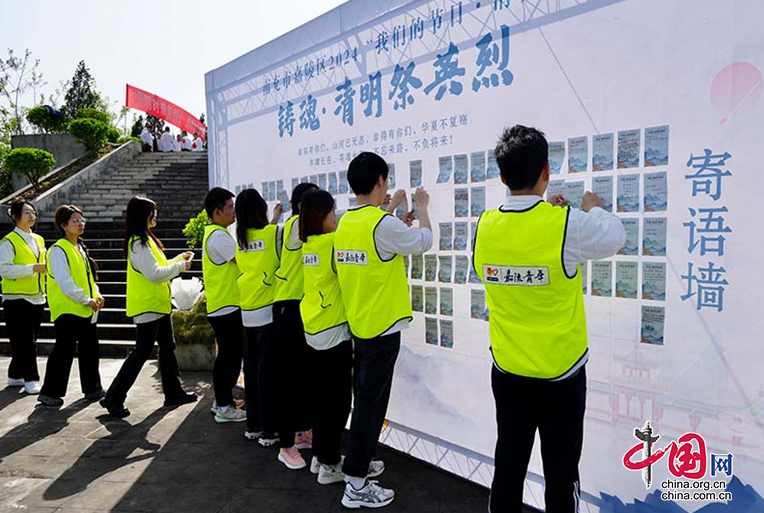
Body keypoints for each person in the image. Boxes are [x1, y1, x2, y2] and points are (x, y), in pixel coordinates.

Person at [473, 125, 626, 513]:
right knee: (560, 472)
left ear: (503, 176)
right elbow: (615, 235)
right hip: (561, 375)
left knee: (508, 464)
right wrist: (590, 207)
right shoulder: (567, 224)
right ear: (546, 171)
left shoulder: (485, 225)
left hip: (507, 369)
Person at [334, 152, 432, 508]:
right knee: (370, 408)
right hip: (382, 330)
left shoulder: (346, 222)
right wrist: (422, 208)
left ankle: (358, 464)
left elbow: (377, 237)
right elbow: (423, 242)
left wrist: (392, 211)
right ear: (380, 180)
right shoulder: (382, 225)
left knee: (365, 402)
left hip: (361, 326)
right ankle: (356, 486)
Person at [299, 189, 385, 485]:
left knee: (322, 398)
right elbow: (359, 231)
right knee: (336, 402)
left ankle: (321, 459)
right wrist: (387, 208)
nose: (335, 217)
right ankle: (330, 465)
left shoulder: (308, 243)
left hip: (313, 327)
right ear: (321, 216)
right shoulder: (331, 243)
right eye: (332, 212)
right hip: (333, 331)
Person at [100, 196, 198, 418]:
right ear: (143, 216)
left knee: (167, 347)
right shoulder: (139, 243)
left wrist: (177, 260)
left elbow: (159, 267)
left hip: (158, 305)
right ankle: (114, 397)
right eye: (152, 212)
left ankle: (173, 392)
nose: (156, 216)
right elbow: (154, 274)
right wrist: (181, 266)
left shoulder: (145, 240)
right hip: (149, 306)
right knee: (142, 352)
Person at [267, 182, 318, 465]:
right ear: (302, 206)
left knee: (302, 377)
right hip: (289, 308)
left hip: (298, 307)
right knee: (289, 379)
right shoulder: (299, 225)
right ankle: (286, 445)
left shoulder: (296, 224)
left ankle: (301, 432)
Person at [38, 205, 105, 407]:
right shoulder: (58, 250)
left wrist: (97, 294)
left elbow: (88, 278)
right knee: (64, 351)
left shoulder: (80, 248)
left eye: (81, 220)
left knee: (90, 349)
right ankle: (50, 392)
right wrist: (85, 299)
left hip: (84, 308)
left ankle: (92, 388)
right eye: (75, 220)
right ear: (64, 225)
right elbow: (65, 282)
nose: (80, 224)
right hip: (67, 309)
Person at [233, 189, 282, 447]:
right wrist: (275, 221)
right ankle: (270, 430)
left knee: (252, 373)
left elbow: (260, 246)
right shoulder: (273, 234)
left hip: (247, 313)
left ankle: (254, 425)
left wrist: (273, 220)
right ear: (260, 208)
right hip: (267, 313)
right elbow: (271, 245)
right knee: (269, 376)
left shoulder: (240, 239)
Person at [202, 187, 246, 423]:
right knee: (229, 359)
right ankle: (224, 406)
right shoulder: (218, 236)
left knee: (228, 357)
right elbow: (243, 259)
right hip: (226, 307)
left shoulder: (216, 233)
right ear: (217, 211)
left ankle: (221, 401)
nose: (234, 211)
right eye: (230, 207)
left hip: (224, 306)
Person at [0, 200, 46, 395]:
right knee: (27, 342)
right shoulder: (8, 241)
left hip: (37, 296)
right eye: (26, 212)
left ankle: (15, 374)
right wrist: (32, 269)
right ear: (15, 216)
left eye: (33, 212)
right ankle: (31, 379)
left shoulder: (39, 239)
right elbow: (4, 269)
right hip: (16, 298)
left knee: (27, 339)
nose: (31, 216)